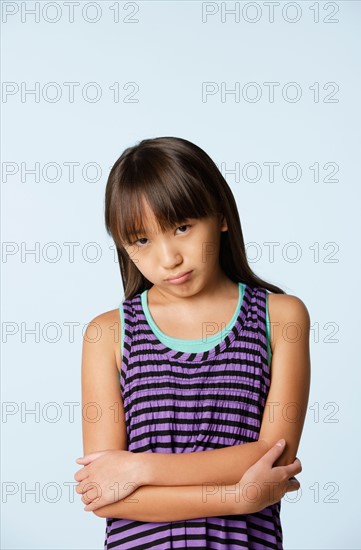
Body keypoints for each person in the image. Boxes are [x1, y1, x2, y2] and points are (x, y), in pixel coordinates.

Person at [74, 136, 310, 549]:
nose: (169, 259)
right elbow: (105, 494)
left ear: (219, 214)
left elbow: (274, 455)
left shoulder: (281, 317)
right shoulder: (107, 334)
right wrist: (237, 497)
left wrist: (138, 468)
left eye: (182, 227)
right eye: (142, 240)